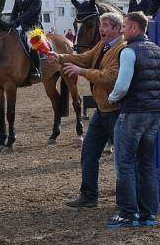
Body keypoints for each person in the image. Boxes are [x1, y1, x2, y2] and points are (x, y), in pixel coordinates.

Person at [48, 12, 126, 208]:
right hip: (102, 109)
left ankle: (125, 200)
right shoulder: (102, 45)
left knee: (123, 159)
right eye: (101, 25)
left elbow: (108, 77)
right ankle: (89, 196)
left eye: (105, 25)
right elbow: (84, 57)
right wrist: (59, 57)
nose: (101, 29)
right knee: (89, 152)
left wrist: (81, 72)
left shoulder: (122, 49)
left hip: (116, 111)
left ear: (117, 29)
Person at [105, 12, 160, 228]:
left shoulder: (128, 51)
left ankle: (127, 213)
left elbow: (122, 86)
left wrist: (112, 98)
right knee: (147, 164)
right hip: (154, 113)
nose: (122, 30)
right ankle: (148, 214)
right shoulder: (158, 51)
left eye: (124, 26)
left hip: (132, 112)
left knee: (125, 163)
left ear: (134, 28)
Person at [10, 0, 43, 81]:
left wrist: (17, 22)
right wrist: (10, 24)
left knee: (31, 43)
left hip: (33, 27)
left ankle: (37, 70)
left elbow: (29, 13)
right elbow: (14, 12)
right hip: (20, 26)